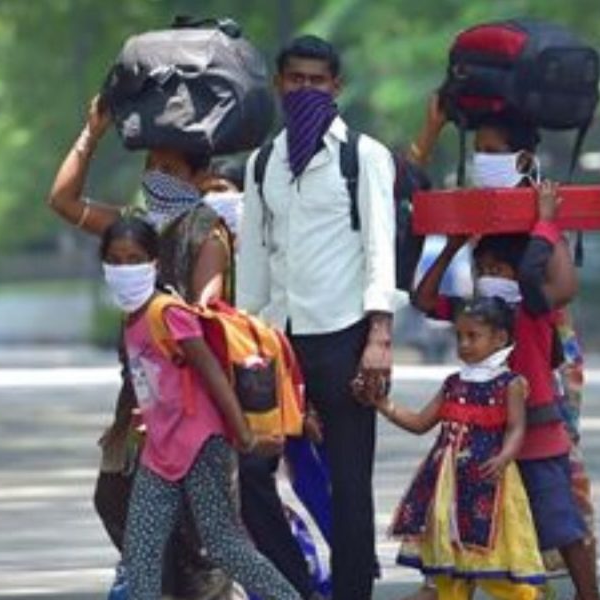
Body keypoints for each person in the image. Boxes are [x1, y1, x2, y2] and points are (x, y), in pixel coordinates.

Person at [47, 96, 237, 599]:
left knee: (197, 529)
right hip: (136, 398)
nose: (156, 175)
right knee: (116, 497)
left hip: (187, 404)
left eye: (170, 168)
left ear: (198, 179)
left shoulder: (206, 232)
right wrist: (91, 134)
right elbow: (63, 202)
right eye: (150, 165)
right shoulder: (136, 225)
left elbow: (207, 311)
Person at [410, 108, 600, 600]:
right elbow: (426, 300)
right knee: (469, 516)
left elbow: (562, 286)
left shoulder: (530, 311)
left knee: (560, 521)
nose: (484, 160)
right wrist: (454, 246)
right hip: (480, 431)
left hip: (537, 430)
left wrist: (545, 224)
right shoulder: (482, 315)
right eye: (481, 151)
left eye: (496, 152)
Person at [236, 35, 397, 600]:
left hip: (346, 338)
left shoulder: (364, 156)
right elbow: (253, 261)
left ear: (336, 87)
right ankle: (297, 587)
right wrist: (245, 341)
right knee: (254, 473)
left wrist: (380, 337)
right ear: (280, 85)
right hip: (277, 344)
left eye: (317, 80)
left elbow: (381, 249)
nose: (306, 89)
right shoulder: (262, 165)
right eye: (296, 79)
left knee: (351, 485)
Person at [97, 216, 302, 600]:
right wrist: (120, 425)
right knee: (141, 552)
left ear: (154, 263)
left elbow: (210, 370)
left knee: (224, 543)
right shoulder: (132, 317)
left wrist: (240, 430)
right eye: (115, 259)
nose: (125, 268)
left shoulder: (167, 311)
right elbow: (136, 376)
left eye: (134, 258)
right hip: (161, 450)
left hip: (201, 445)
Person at [372, 296, 546, 599]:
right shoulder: (453, 383)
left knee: (492, 561)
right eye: (459, 336)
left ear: (500, 338)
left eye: (473, 336)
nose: (463, 344)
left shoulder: (510, 384)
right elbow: (419, 422)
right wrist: (383, 405)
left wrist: (505, 457)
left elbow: (517, 427)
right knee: (449, 571)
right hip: (445, 486)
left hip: (489, 484)